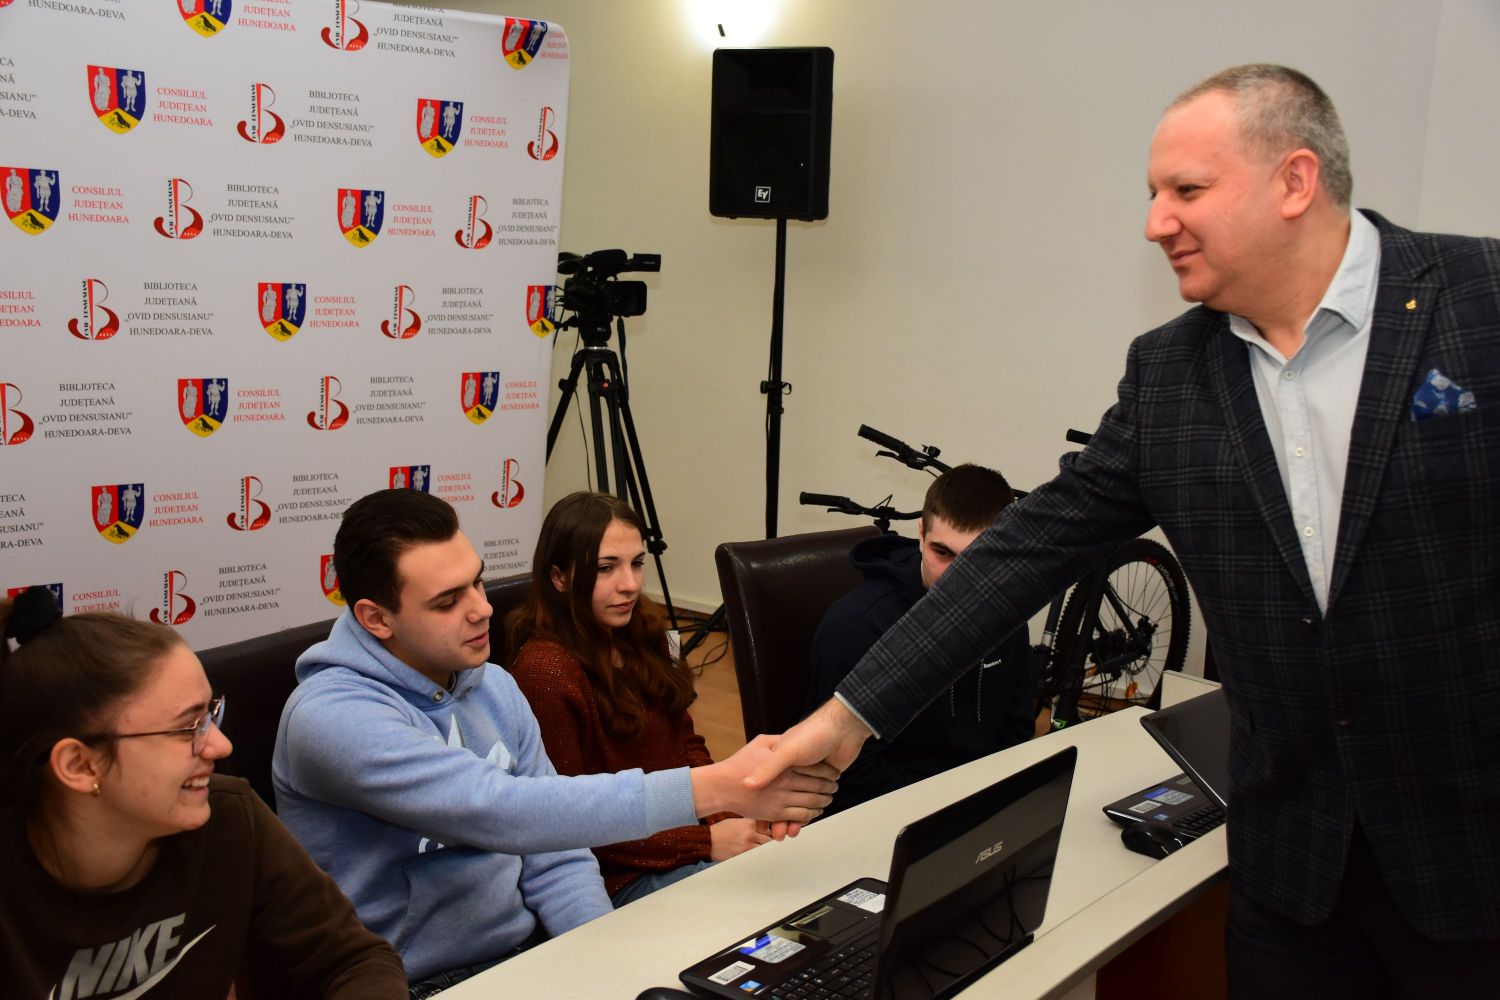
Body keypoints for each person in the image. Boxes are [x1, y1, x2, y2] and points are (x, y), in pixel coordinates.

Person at [747, 64, 1500, 997]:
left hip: (1473, 858)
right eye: (1153, 193)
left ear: (1295, 181)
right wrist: (844, 718)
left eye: (1187, 190)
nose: (1155, 222)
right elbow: (1021, 553)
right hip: (1293, 870)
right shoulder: (1169, 375)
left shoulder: (1480, 299)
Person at [274, 489, 834, 996]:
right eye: (447, 601)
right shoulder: (332, 717)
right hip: (409, 980)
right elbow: (504, 812)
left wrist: (605, 962)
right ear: (376, 618)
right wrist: (714, 788)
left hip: (525, 952)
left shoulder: (493, 686)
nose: (483, 608)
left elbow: (556, 853)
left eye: (478, 582)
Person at [0, 588, 405, 999]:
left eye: (210, 714)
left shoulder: (227, 816)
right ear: (80, 765)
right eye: (187, 728)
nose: (221, 746)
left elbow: (353, 961)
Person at [509, 492, 770, 906]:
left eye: (636, 563)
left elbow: (685, 743)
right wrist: (705, 841)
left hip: (685, 834)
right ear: (559, 578)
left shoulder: (644, 630)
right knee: (753, 901)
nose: (630, 584)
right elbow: (568, 822)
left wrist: (726, 814)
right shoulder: (546, 671)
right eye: (606, 568)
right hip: (621, 873)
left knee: (786, 873)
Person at [804, 464, 1036, 816]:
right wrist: (951, 810)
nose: (956, 576)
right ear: (921, 533)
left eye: (977, 558)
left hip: (975, 804)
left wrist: (987, 802)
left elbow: (1016, 729)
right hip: (885, 815)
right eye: (942, 552)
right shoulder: (857, 626)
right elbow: (849, 775)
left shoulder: (1005, 609)